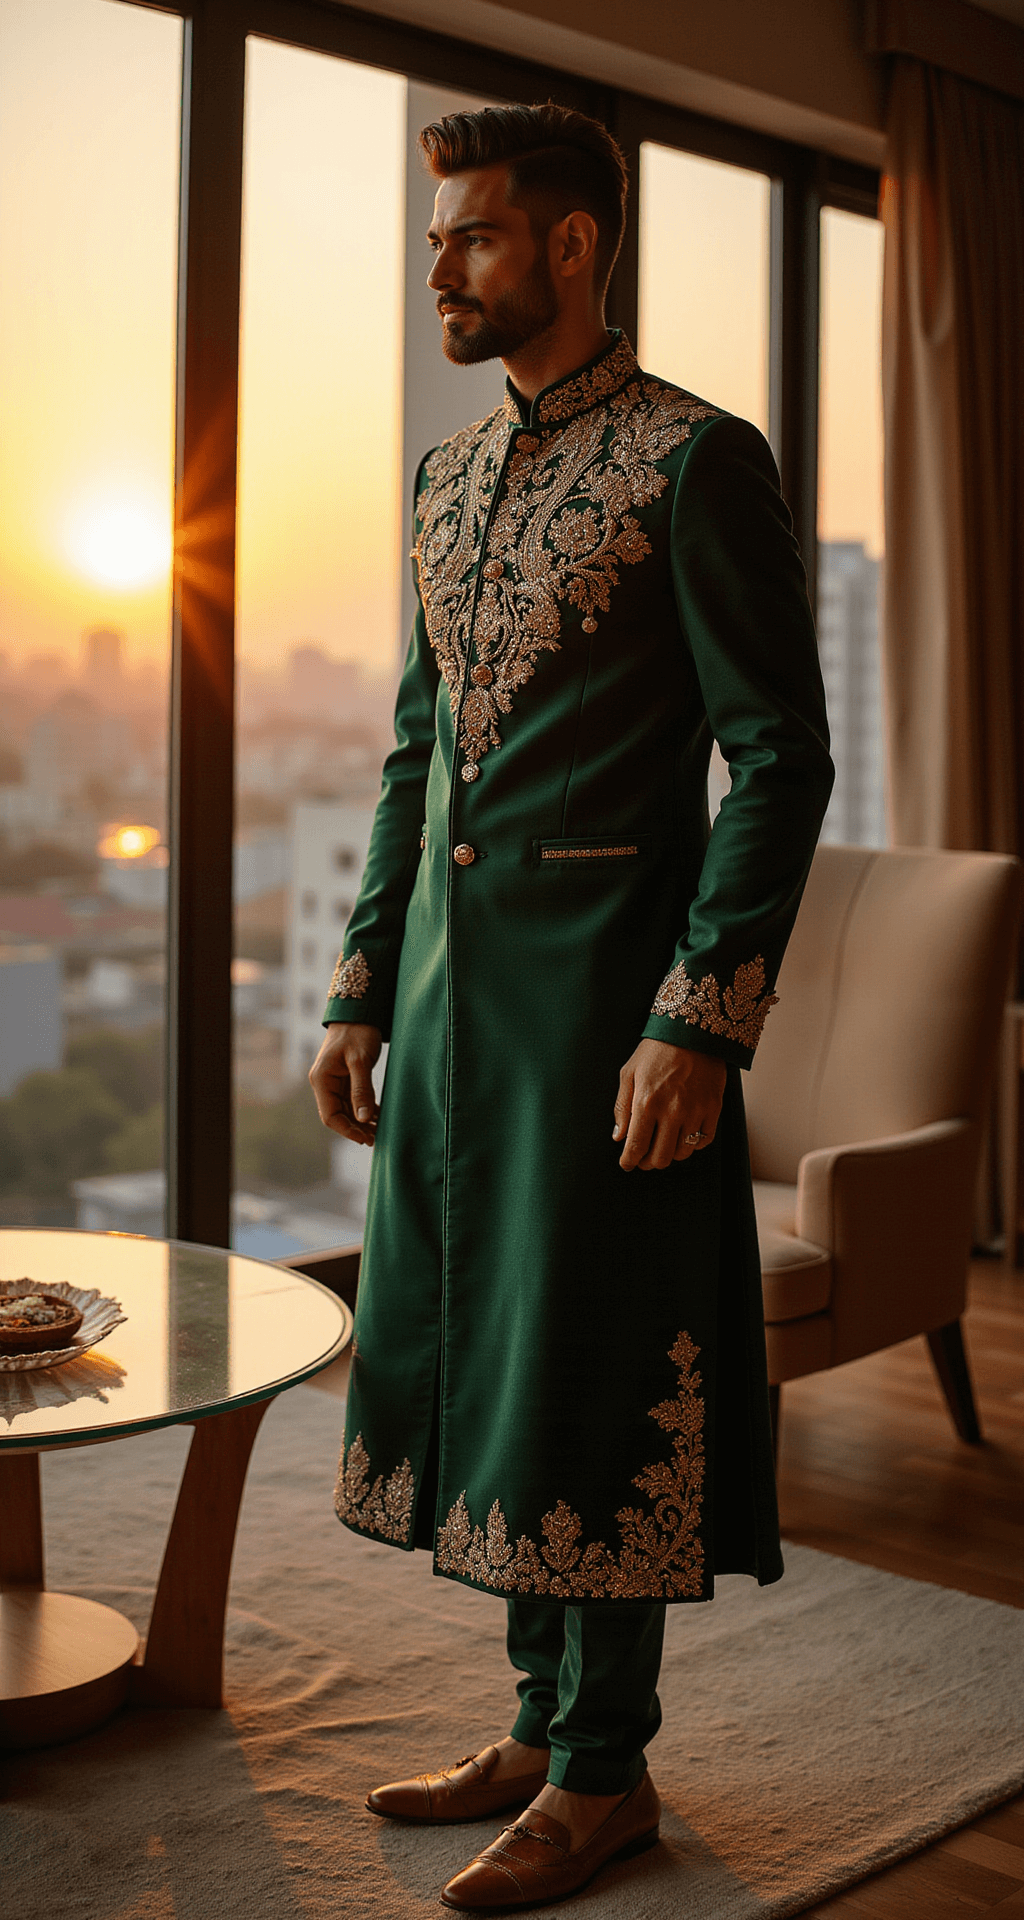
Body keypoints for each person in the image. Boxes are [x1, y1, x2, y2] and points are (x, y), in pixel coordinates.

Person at [309, 101, 834, 1913]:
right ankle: (538, 1726)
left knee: (599, 1366)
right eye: (438, 234)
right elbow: (414, 753)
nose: (438, 263)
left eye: (469, 233)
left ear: (573, 246)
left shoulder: (702, 463)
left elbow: (778, 757)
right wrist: (360, 978)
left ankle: (605, 1778)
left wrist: (701, 1021)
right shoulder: (450, 481)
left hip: (615, 1025)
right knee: (501, 1369)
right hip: (457, 1022)